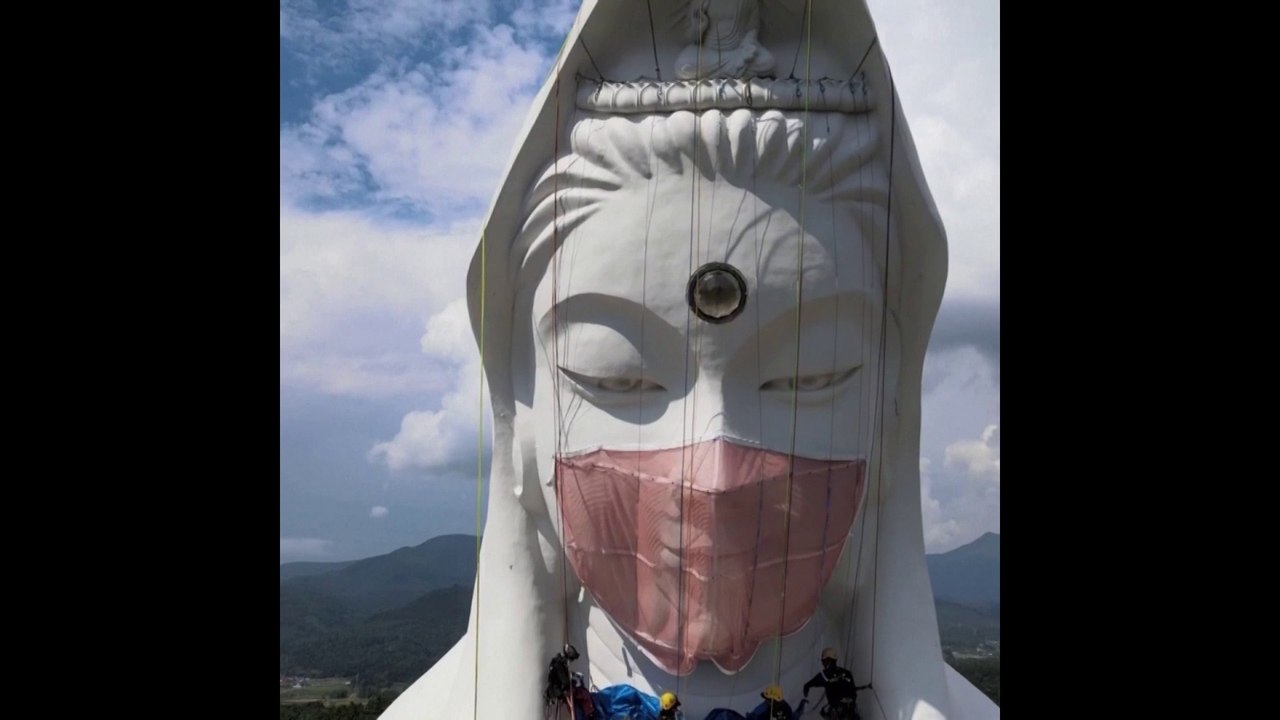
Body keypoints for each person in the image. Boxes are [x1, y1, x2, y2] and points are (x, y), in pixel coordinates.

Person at [802, 649, 869, 720]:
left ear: (828, 660)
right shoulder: (847, 673)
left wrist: (806, 688)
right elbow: (853, 691)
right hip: (851, 711)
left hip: (837, 712)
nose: (823, 663)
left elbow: (809, 684)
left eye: (823, 661)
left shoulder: (825, 674)